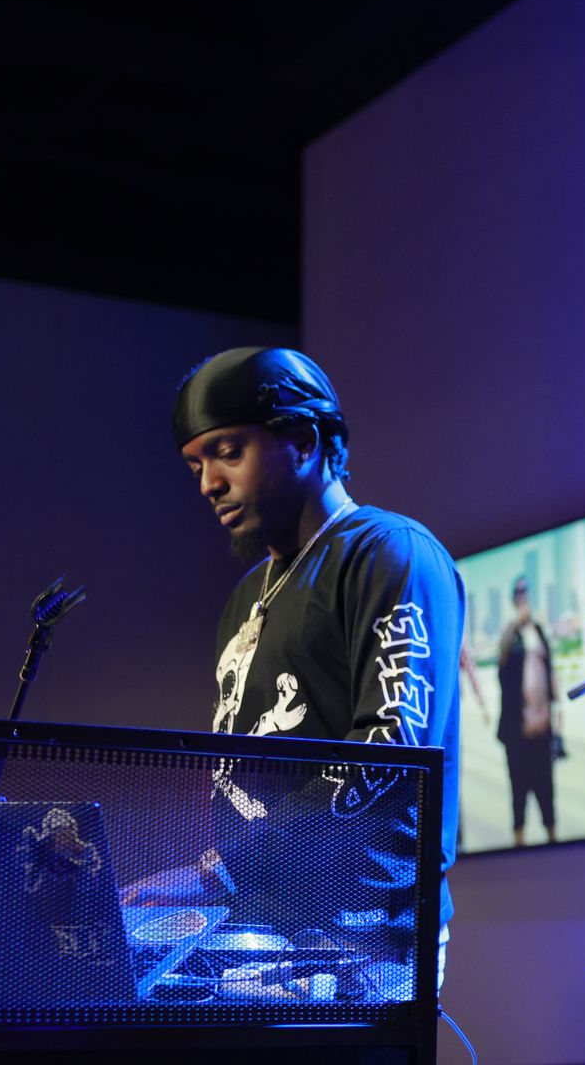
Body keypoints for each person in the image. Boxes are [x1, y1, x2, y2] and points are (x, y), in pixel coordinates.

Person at [129, 346, 463, 998]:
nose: (207, 484)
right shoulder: (247, 594)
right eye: (196, 464)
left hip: (358, 942)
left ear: (305, 440)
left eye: (228, 452)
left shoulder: (389, 553)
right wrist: (208, 881)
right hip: (251, 923)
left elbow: (387, 752)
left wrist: (212, 871)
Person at [495, 574, 559, 846]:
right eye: (519, 597)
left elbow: (550, 671)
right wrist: (516, 629)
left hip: (542, 727)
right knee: (518, 792)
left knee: (546, 790)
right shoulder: (510, 636)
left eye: (527, 596)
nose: (524, 602)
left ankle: (554, 841)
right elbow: (503, 668)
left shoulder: (540, 632)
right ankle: (518, 844)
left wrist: (558, 717)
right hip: (517, 731)